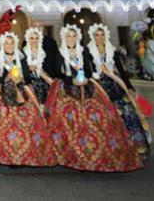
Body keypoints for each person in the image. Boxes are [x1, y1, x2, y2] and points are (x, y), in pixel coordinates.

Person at [45, 24, 142, 172]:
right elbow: (57, 71)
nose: (71, 39)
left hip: (86, 87)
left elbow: (89, 70)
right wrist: (71, 80)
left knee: (95, 119)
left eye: (73, 36)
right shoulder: (60, 52)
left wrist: (85, 78)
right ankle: (68, 152)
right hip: (67, 88)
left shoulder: (83, 51)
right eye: (68, 36)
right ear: (64, 38)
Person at [0, 32, 56, 167]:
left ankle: (24, 154)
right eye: (6, 43)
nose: (9, 45)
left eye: (11, 43)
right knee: (4, 125)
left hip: (21, 93)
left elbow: (28, 76)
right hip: (3, 94)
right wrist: (6, 78)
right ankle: (8, 156)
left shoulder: (21, 57)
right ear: (3, 45)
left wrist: (21, 78)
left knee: (26, 124)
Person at [86, 23, 151, 160]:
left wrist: (129, 87)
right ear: (92, 37)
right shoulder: (88, 51)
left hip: (114, 85)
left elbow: (121, 71)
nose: (99, 37)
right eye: (97, 35)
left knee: (126, 114)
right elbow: (87, 70)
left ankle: (134, 148)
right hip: (97, 86)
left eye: (102, 34)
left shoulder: (112, 51)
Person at [22, 27, 55, 105]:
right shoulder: (23, 53)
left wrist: (45, 74)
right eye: (32, 38)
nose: (34, 41)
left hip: (43, 78)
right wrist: (29, 69)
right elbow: (21, 71)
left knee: (48, 85)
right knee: (36, 85)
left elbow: (49, 68)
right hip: (28, 78)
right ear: (28, 39)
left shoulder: (44, 53)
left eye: (37, 38)